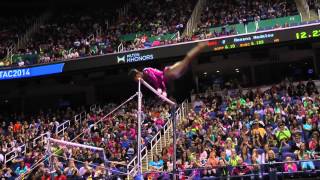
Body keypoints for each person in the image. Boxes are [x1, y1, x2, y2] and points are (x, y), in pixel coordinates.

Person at [129, 42, 208, 97]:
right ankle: (199, 47)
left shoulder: (145, 71)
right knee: (186, 62)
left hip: (167, 72)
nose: (137, 81)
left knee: (186, 60)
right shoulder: (146, 77)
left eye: (136, 79)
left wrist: (159, 89)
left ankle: (200, 47)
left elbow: (156, 79)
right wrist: (163, 90)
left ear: (137, 74)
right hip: (170, 76)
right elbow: (160, 81)